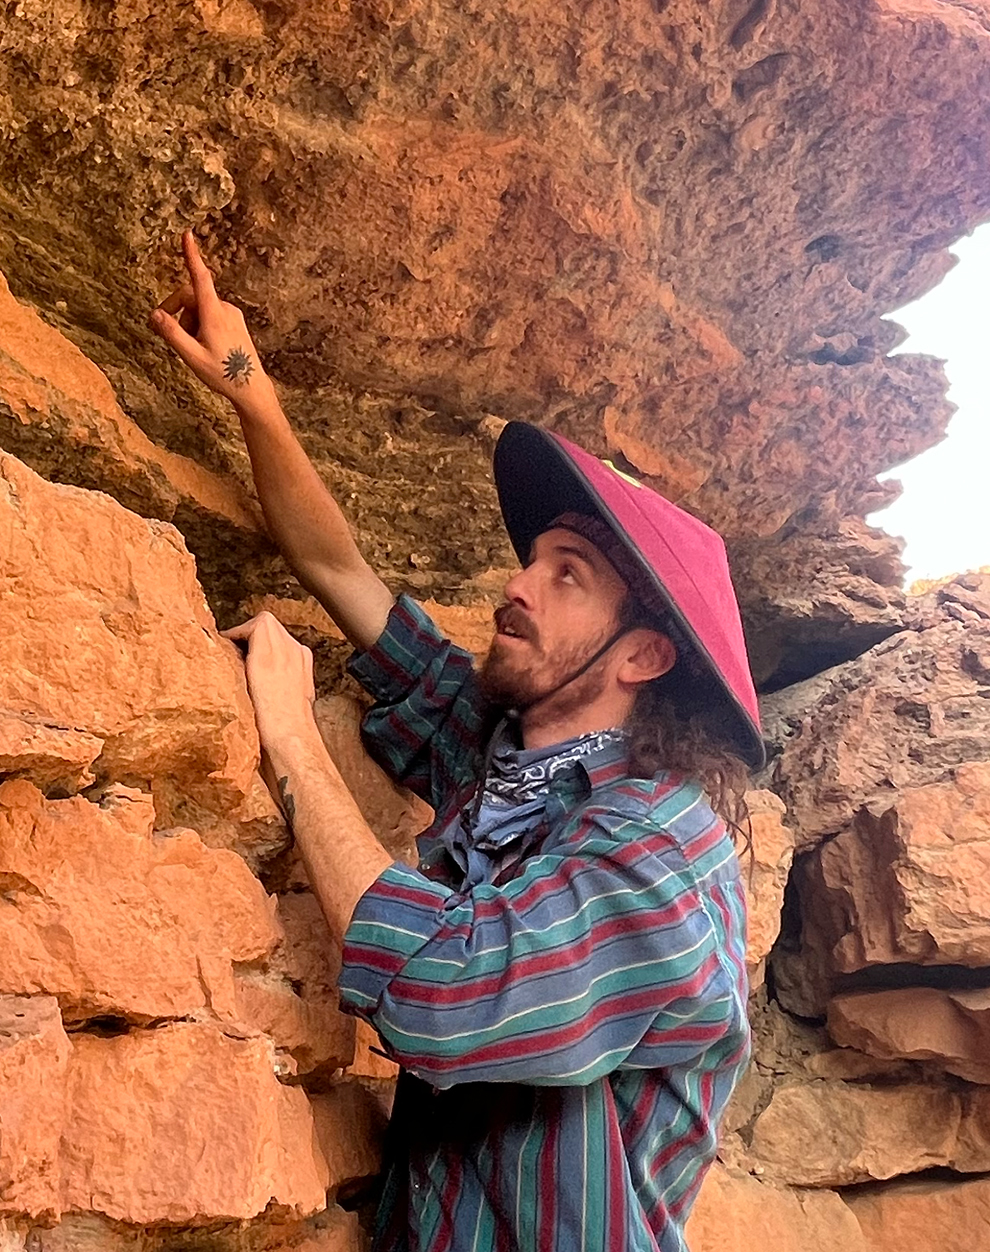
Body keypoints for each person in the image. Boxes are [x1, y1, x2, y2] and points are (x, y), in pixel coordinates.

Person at [148, 231, 759, 1252]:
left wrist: (290, 739)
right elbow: (337, 571)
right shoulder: (507, 754)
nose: (516, 584)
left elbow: (442, 992)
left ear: (643, 655)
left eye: (566, 573)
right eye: (533, 559)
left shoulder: (662, 858)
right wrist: (249, 389)